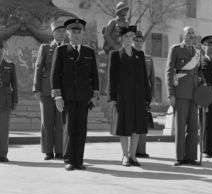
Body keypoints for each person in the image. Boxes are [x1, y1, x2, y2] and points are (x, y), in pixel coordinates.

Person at [51, 18, 99, 171]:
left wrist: (95, 95)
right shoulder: (61, 50)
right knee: (69, 128)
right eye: (73, 32)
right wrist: (57, 96)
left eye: (79, 32)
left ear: (82, 33)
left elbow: (95, 75)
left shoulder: (89, 52)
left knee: (81, 129)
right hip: (68, 97)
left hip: (84, 97)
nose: (76, 35)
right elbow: (54, 75)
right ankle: (69, 160)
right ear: (68, 33)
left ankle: (79, 160)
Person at [108, 26, 151, 166]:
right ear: (121, 38)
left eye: (130, 36)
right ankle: (125, 156)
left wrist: (147, 97)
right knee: (124, 127)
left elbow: (145, 78)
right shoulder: (115, 55)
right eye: (125, 37)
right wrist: (113, 98)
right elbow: (111, 79)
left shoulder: (140, 55)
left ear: (133, 38)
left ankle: (133, 156)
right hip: (123, 97)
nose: (128, 39)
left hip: (138, 97)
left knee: (137, 126)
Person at [165, 26, 203, 166]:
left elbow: (200, 72)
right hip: (180, 93)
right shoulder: (175, 49)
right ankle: (180, 157)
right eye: (189, 33)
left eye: (193, 33)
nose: (192, 35)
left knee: (193, 127)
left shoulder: (198, 52)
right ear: (183, 35)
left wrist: (203, 89)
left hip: (194, 94)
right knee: (180, 126)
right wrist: (170, 94)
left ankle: (190, 157)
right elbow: (169, 72)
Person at [33, 22, 66, 160]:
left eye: (63, 31)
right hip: (46, 90)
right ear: (53, 33)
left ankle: (59, 151)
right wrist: (36, 88)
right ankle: (48, 151)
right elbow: (38, 67)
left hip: (62, 91)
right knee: (47, 121)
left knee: (60, 122)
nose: (61, 34)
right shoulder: (46, 48)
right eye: (58, 31)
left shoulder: (67, 48)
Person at [133, 30, 155, 158]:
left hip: (144, 95)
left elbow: (151, 77)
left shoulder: (148, 58)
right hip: (133, 93)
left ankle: (141, 150)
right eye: (136, 40)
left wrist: (151, 95)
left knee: (143, 123)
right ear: (133, 41)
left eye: (141, 41)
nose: (139, 43)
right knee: (133, 123)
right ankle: (133, 150)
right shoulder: (129, 55)